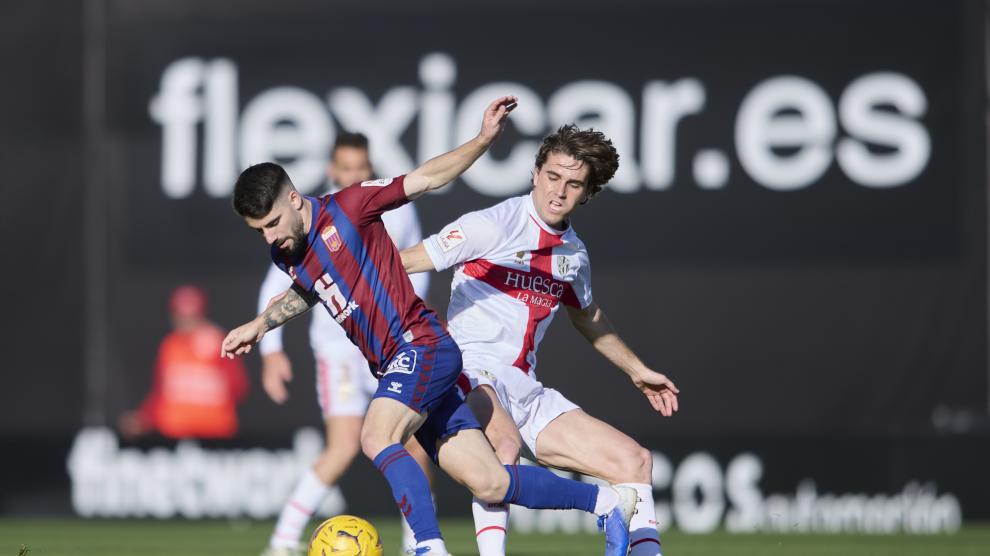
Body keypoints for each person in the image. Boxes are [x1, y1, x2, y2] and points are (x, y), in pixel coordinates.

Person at [222, 97, 637, 556]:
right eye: (258, 230)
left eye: (273, 223)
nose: (269, 237)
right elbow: (311, 287)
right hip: (398, 363)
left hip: (421, 345)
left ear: (295, 199)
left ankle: (428, 546)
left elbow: (426, 178)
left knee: (376, 436)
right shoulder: (285, 251)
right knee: (491, 481)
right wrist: (262, 324)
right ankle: (607, 501)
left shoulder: (351, 206)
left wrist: (481, 140)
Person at [400, 124, 679, 556]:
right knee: (503, 447)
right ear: (535, 173)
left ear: (586, 194)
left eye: (573, 184)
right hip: (472, 370)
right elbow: (404, 263)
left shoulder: (574, 255)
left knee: (634, 461)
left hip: (524, 386)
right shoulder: (491, 225)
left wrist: (637, 371)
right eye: (552, 176)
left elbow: (587, 316)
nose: (558, 192)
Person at [256, 133, 433, 556]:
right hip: (339, 349)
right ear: (333, 171)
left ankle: (419, 544)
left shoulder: (394, 212)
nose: (355, 175)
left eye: (362, 169)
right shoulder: (314, 217)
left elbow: (417, 270)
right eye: (347, 169)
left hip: (393, 346)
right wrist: (271, 350)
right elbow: (277, 286)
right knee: (344, 445)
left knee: (413, 443)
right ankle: (282, 540)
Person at [119, 285, 249, 440]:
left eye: (191, 317)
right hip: (174, 435)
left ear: (201, 315)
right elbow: (160, 394)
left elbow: (239, 388)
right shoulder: (170, 345)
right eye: (181, 316)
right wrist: (143, 418)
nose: (186, 322)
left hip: (213, 435)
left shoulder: (218, 342)